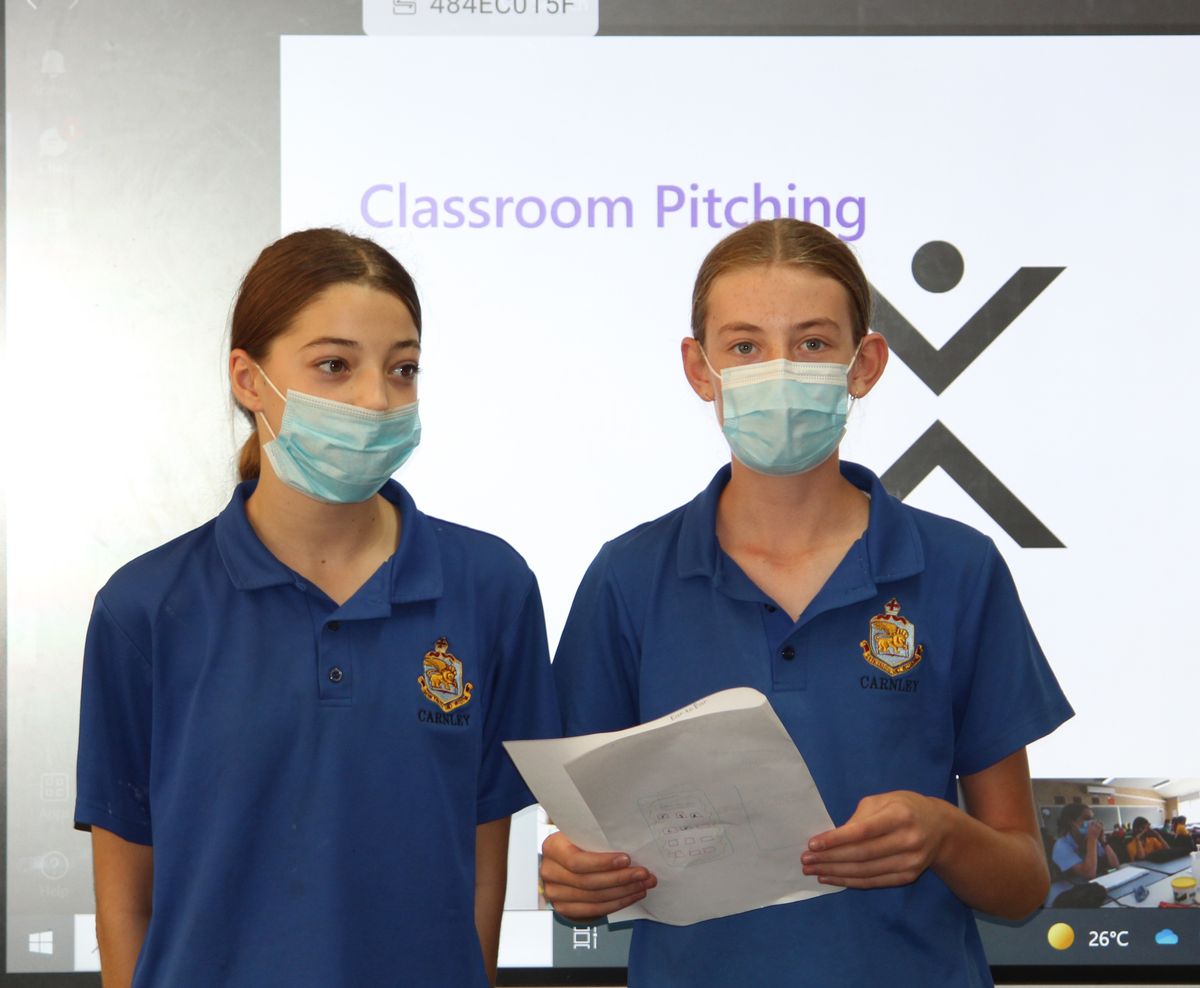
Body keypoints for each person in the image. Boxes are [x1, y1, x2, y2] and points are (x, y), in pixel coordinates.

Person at [541, 219, 1072, 986]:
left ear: (867, 364)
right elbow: (579, 861)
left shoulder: (959, 569)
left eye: (814, 342)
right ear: (699, 368)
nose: (779, 371)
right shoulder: (627, 579)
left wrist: (945, 834)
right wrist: (573, 880)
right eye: (745, 346)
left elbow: (1021, 885)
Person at [74, 229, 559, 988]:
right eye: (335, 365)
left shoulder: (490, 586)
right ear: (248, 379)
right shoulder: (146, 607)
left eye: (402, 368)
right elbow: (125, 902)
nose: (376, 399)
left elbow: (479, 876)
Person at [1051, 804, 1119, 879]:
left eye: (1092, 819)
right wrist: (1092, 839)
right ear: (1072, 822)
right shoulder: (1061, 846)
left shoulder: (1090, 838)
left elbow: (1115, 865)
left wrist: (1103, 841)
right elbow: (1089, 874)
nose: (1092, 822)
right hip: (1073, 885)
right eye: (1087, 819)